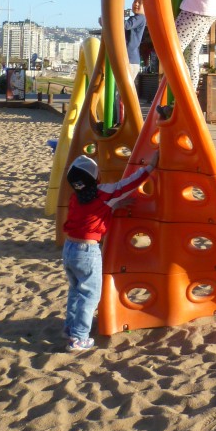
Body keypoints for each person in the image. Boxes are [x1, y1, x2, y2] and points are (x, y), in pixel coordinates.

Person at [62, 150, 158, 351]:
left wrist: (112, 207)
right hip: (87, 251)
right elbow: (128, 184)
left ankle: (71, 328)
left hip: (69, 248)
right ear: (95, 177)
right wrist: (150, 167)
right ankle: (79, 338)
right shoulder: (103, 193)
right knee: (90, 295)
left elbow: (89, 214)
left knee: (76, 290)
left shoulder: (76, 197)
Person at [124, 0, 147, 81]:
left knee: (124, 89)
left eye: (140, 2)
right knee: (122, 89)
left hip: (130, 60)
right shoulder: (135, 18)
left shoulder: (140, 17)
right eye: (135, 1)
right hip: (130, 60)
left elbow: (126, 25)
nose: (136, 4)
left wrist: (111, 17)